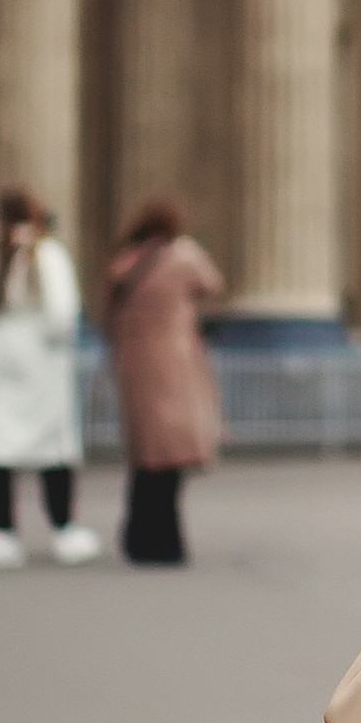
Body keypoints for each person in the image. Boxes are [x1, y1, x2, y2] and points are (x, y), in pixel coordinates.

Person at [0, 187, 97, 567]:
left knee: (1, 447)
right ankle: (63, 528)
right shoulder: (48, 253)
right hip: (41, 356)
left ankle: (1, 533)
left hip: (4, 347)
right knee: (54, 448)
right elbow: (63, 313)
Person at [102, 198, 226, 564]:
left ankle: (137, 537)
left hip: (133, 364)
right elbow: (212, 284)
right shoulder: (182, 256)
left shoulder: (127, 261)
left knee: (144, 456)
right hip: (174, 361)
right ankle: (167, 542)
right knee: (171, 456)